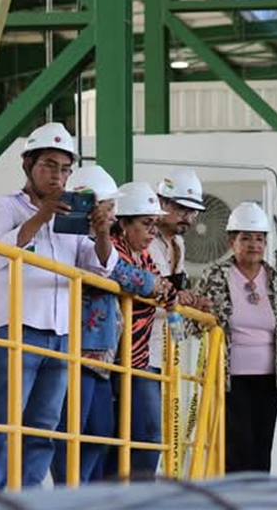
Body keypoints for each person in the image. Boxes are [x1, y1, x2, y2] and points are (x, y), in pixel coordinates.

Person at [0, 123, 117, 489]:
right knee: (7, 421)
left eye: (65, 169)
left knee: (44, 428)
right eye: (49, 165)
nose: (58, 176)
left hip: (62, 333)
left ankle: (29, 497)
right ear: (28, 165)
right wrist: (42, 216)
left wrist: (101, 231)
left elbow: (100, 265)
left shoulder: (72, 217)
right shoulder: (4, 207)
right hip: (16, 327)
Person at [49, 167, 170, 484]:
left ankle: (88, 496)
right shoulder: (65, 238)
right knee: (73, 433)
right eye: (108, 206)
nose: (111, 214)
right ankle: (71, 497)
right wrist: (151, 285)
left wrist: (164, 288)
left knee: (100, 431)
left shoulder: (97, 243)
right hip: (77, 347)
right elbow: (117, 273)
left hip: (101, 352)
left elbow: (113, 267)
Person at [195, 201, 277, 473]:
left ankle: (259, 499)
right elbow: (194, 323)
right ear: (231, 241)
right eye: (246, 238)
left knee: (261, 444)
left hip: (271, 378)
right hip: (230, 376)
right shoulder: (215, 275)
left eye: (259, 238)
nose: (254, 244)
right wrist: (199, 312)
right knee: (236, 444)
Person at [105, 182, 179, 479]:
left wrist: (160, 287)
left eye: (154, 224)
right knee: (137, 438)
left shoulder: (144, 256)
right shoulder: (112, 251)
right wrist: (155, 286)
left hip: (138, 359)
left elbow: (163, 287)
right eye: (147, 224)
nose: (152, 232)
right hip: (114, 358)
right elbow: (136, 280)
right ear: (123, 224)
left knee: (139, 439)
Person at [148, 169, 206, 379]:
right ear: (161, 202)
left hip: (166, 349)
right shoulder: (144, 240)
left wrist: (192, 301)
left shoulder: (178, 243)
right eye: (182, 209)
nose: (188, 218)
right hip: (139, 348)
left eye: (193, 212)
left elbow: (176, 290)